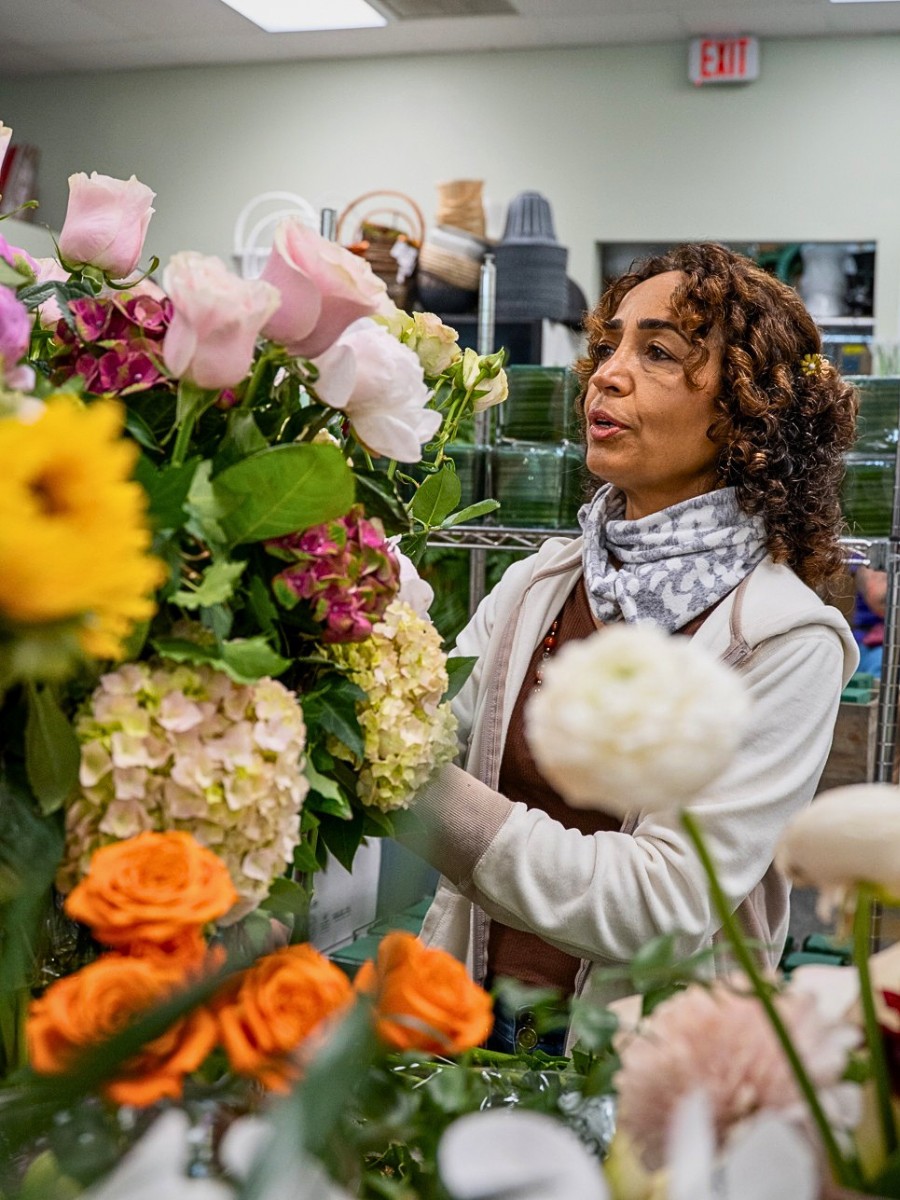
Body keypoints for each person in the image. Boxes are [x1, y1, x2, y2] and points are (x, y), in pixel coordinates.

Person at [399, 243, 860, 1054]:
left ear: (745, 406)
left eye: (658, 352)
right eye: (608, 344)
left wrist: (410, 792)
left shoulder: (785, 638)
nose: (606, 374)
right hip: (458, 1021)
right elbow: (427, 729)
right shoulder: (543, 581)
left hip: (632, 1068)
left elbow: (666, 904)